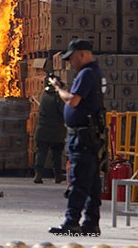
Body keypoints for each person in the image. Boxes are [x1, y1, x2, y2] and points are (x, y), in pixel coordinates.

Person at [48, 39, 106, 237]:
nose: (70, 63)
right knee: (91, 183)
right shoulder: (93, 73)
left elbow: (73, 101)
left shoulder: (87, 73)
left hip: (82, 137)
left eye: (72, 58)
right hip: (89, 135)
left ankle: (71, 222)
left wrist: (58, 88)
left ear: (82, 54)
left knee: (79, 180)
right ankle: (91, 223)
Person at [33, 76, 67, 184]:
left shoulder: (44, 95)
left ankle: (38, 174)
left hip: (42, 130)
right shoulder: (58, 97)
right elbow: (64, 111)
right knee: (56, 154)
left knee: (41, 153)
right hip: (55, 131)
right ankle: (57, 175)